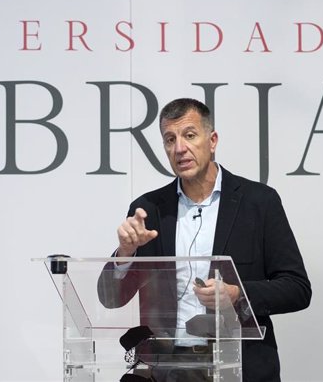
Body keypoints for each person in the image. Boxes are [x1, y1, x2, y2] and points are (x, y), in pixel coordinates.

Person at [98, 98, 311, 382]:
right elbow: (110, 298)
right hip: (167, 371)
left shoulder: (259, 203)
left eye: (189, 135)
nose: (179, 148)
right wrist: (125, 253)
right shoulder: (148, 210)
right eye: (169, 139)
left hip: (239, 368)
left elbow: (297, 288)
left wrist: (237, 294)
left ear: (212, 141)